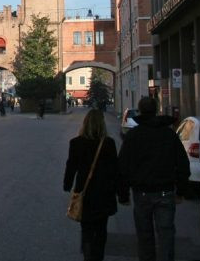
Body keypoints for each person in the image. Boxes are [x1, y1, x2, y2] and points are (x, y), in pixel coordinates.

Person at [117, 97, 190, 261]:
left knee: (144, 235)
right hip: (165, 191)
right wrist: (181, 190)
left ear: (140, 111)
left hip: (141, 192)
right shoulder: (169, 134)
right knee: (166, 234)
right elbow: (183, 164)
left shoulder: (134, 136)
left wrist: (123, 194)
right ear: (156, 110)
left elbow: (123, 166)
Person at [63, 108, 118, 261]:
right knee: (101, 229)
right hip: (104, 193)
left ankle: (88, 256)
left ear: (85, 123)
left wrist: (67, 184)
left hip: (84, 193)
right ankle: (98, 256)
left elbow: (71, 166)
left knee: (86, 229)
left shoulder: (76, 143)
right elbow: (115, 169)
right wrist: (121, 193)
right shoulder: (108, 143)